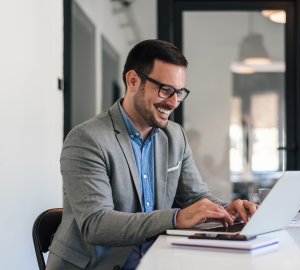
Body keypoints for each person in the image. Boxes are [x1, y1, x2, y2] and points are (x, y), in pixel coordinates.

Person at [47, 39, 257, 270]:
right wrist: (176, 218)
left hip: (157, 260)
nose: (174, 102)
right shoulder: (87, 139)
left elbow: (196, 196)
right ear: (133, 81)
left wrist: (226, 210)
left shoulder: (175, 136)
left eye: (179, 92)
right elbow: (96, 224)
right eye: (166, 90)